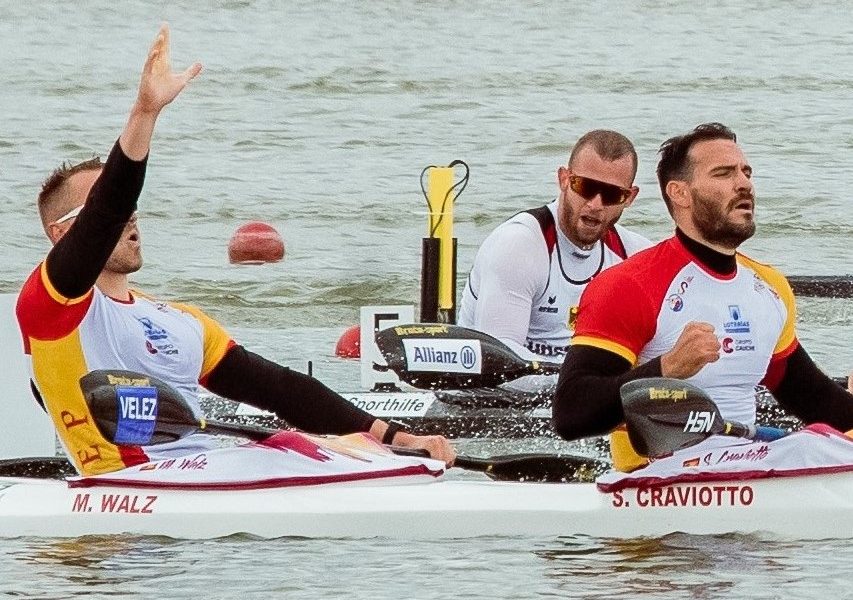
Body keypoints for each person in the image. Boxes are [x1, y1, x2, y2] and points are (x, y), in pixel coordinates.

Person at [15, 24, 455, 477]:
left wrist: (397, 438)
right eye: (100, 209)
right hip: (131, 483)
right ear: (60, 233)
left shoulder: (181, 319)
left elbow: (281, 389)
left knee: (296, 443)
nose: (128, 217)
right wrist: (145, 113)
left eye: (133, 209)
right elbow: (109, 207)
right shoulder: (49, 308)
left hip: (210, 465)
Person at [552, 122, 853, 472]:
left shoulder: (769, 287)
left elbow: (814, 399)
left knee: (821, 444)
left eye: (746, 172)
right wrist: (666, 368)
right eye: (723, 174)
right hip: (655, 479)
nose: (744, 183)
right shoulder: (630, 285)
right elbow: (571, 414)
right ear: (680, 193)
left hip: (745, 469)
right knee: (807, 451)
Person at [457, 130, 652, 362]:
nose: (595, 204)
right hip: (502, 382)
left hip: (579, 378)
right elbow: (498, 359)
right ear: (564, 180)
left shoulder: (636, 255)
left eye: (611, 194)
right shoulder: (518, 245)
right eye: (586, 187)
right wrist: (581, 378)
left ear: (629, 197)